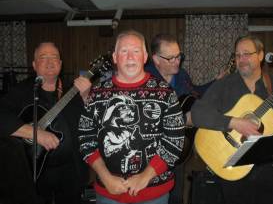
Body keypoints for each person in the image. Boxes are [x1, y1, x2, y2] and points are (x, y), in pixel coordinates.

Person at [191, 35, 273, 204]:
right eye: (238, 55)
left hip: (270, 170)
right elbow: (198, 112)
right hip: (231, 166)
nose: (241, 59)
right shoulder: (224, 85)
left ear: (261, 55)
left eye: (247, 53)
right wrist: (234, 122)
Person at [77, 30, 185, 204]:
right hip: (108, 193)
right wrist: (105, 177)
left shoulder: (165, 93)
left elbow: (175, 140)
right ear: (114, 57)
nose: (130, 57)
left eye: (136, 51)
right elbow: (85, 138)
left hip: (154, 193)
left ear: (144, 57)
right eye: (124, 51)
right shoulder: (97, 94)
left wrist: (145, 176)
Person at [0, 42, 92, 204]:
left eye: (54, 57)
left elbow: (89, 124)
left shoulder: (72, 89)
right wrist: (35, 133)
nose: (50, 62)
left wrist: (85, 98)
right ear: (34, 65)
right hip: (32, 174)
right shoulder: (21, 91)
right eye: (43, 58)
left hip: (70, 172)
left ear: (61, 64)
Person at [145, 33, 228, 204]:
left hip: (179, 143)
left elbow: (195, 93)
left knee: (176, 190)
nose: (177, 61)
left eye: (179, 56)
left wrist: (216, 82)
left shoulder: (181, 74)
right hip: (152, 149)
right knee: (152, 192)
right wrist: (182, 120)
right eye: (171, 58)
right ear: (156, 59)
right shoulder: (144, 79)